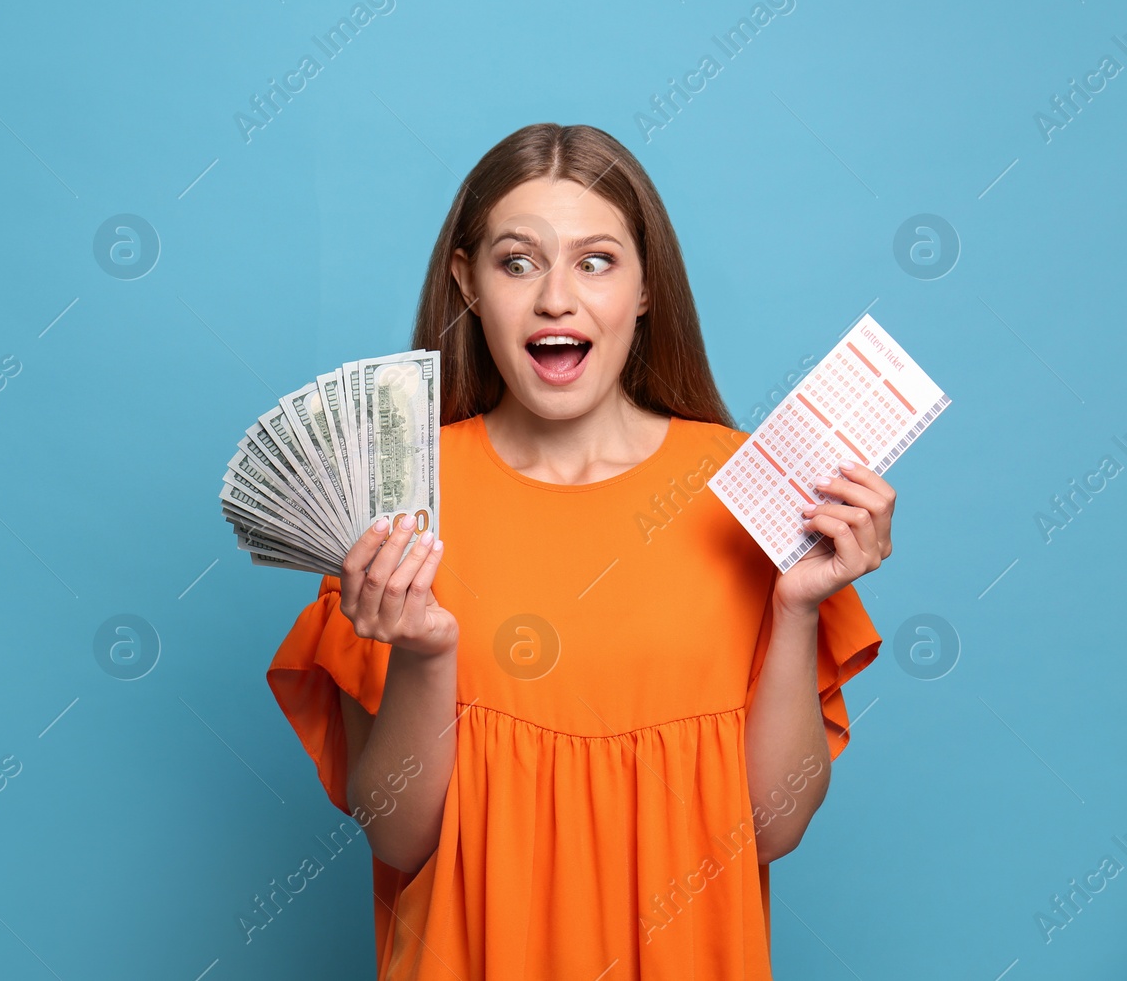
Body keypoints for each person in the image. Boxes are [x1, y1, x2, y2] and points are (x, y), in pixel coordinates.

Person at [266, 122, 888, 979]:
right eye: (518, 262)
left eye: (596, 261)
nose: (556, 298)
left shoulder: (749, 488)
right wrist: (424, 653)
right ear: (469, 283)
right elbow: (399, 833)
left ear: (643, 290)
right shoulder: (400, 503)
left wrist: (795, 606)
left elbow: (773, 829)